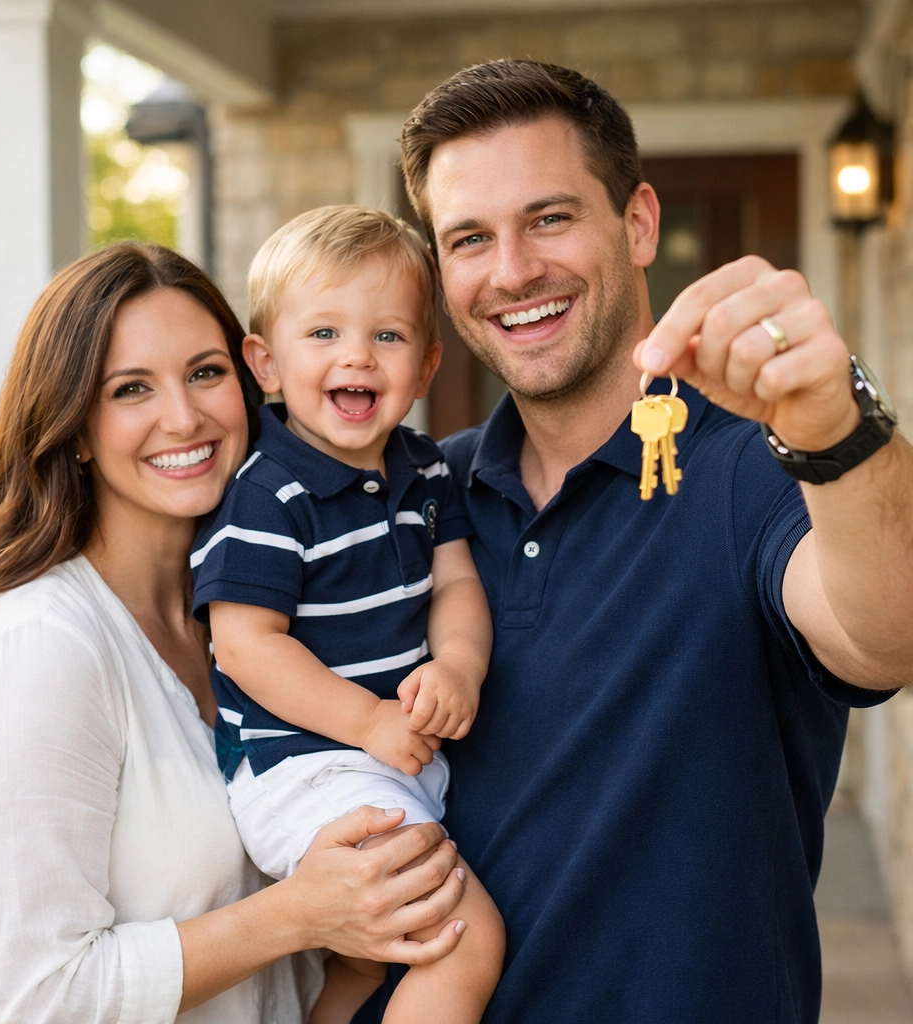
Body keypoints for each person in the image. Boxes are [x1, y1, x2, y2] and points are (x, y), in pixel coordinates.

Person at [373, 59, 912, 1023]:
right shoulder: (420, 492)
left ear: (639, 225)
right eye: (469, 238)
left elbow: (889, 638)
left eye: (549, 218)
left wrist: (837, 430)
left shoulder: (759, 466)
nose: (512, 271)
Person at [0, 243, 471, 1023]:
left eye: (205, 372)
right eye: (131, 388)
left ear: (251, 377)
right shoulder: (45, 643)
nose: (184, 417)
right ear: (74, 427)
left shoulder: (271, 610)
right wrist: (297, 915)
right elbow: (36, 999)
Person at [190, 206, 504, 1024]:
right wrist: (367, 721)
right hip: (305, 765)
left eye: (387, 336)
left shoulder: (424, 469)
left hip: (382, 758)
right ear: (265, 362)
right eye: (323, 333)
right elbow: (246, 645)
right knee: (463, 936)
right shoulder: (267, 494)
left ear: (426, 365)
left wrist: (459, 665)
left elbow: (456, 584)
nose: (357, 355)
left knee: (368, 962)